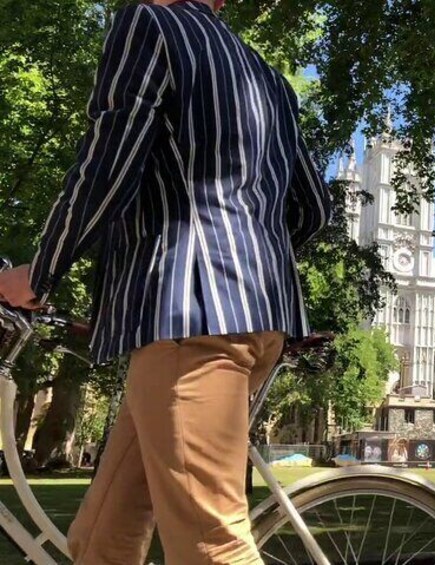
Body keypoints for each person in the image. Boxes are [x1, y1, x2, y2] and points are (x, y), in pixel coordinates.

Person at [0, 0, 332, 562]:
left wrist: (42, 270)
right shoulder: (268, 78)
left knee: (212, 545)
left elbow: (108, 162)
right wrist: (247, 259)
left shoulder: (147, 24)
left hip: (188, 313)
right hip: (253, 317)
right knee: (104, 535)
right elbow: (314, 209)